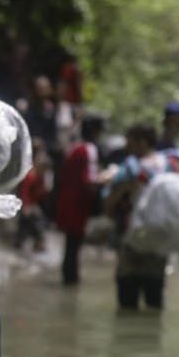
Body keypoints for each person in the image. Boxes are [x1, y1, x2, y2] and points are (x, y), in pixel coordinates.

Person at [105, 123, 179, 310]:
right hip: (160, 244)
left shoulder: (130, 168)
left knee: (127, 303)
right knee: (154, 301)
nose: (126, 146)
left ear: (142, 142)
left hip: (132, 242)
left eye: (130, 141)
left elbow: (109, 206)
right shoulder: (171, 165)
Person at [54, 114, 105, 285]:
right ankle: (71, 282)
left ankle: (69, 282)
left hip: (65, 202)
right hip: (77, 206)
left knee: (70, 246)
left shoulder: (73, 147)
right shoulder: (88, 149)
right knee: (73, 247)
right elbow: (89, 180)